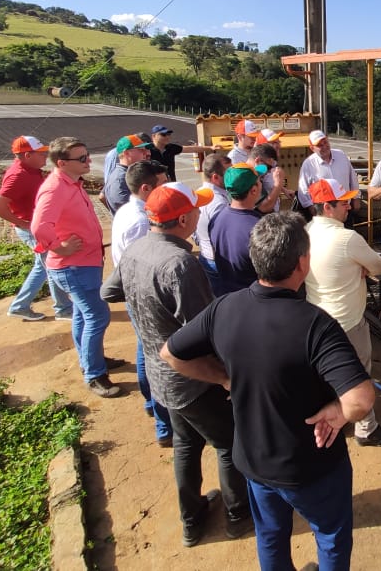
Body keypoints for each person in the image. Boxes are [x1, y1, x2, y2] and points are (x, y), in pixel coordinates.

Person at [161, 212, 374, 571]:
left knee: (271, 535)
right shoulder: (317, 325)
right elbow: (360, 399)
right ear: (302, 263)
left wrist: (222, 378)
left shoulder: (224, 308)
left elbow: (171, 353)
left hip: (254, 459)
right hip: (313, 465)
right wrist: (337, 413)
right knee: (331, 536)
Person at [102, 182, 252, 548]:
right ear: (183, 218)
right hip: (194, 377)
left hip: (160, 374)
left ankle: (192, 520)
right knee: (229, 442)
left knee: (186, 443)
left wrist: (149, 308)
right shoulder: (181, 264)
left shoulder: (137, 248)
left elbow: (109, 291)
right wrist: (226, 376)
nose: (201, 213)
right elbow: (202, 330)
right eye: (196, 209)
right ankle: (237, 515)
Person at [305, 179, 381, 448]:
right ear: (327, 207)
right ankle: (366, 429)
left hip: (317, 319)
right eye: (343, 202)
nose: (350, 206)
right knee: (359, 375)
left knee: (325, 374)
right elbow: (379, 265)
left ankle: (331, 418)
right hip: (347, 322)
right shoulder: (347, 238)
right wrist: (363, 269)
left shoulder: (306, 232)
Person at [32, 137, 121, 398]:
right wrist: (59, 247)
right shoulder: (55, 188)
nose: (88, 161)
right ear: (62, 163)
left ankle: (91, 360)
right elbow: (39, 227)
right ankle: (94, 374)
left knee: (83, 316)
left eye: (87, 155)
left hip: (83, 263)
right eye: (81, 158)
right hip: (74, 266)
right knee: (97, 316)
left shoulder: (69, 182)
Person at [110, 159, 171, 445]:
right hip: (143, 293)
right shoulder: (140, 221)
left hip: (137, 290)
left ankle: (153, 406)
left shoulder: (129, 210)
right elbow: (143, 261)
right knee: (153, 355)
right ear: (146, 188)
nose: (166, 187)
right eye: (162, 184)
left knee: (145, 349)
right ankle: (163, 422)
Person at [0, 135, 73, 322]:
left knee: (42, 267)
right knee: (52, 265)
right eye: (41, 153)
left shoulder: (30, 170)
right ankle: (64, 309)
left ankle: (20, 306)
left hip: (36, 227)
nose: (45, 156)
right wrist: (22, 223)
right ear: (27, 155)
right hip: (33, 230)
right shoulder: (18, 176)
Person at [209, 163, 264, 292]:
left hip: (227, 295)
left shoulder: (216, 219)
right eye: (259, 181)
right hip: (252, 297)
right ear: (254, 190)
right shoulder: (260, 227)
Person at [296, 130, 361, 226]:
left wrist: (356, 198)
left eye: (325, 142)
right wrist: (313, 209)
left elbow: (352, 177)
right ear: (312, 148)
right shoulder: (308, 164)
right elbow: (303, 190)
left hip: (345, 209)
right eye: (319, 145)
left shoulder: (341, 155)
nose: (324, 146)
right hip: (325, 214)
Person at [194, 153, 233, 295]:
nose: (232, 176)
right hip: (218, 264)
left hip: (206, 257)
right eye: (228, 173)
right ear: (216, 177)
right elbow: (223, 238)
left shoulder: (198, 194)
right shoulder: (219, 203)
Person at [103, 133, 153, 214]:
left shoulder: (129, 173)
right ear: (126, 153)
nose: (146, 153)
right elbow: (131, 212)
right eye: (141, 150)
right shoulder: (119, 179)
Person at [250, 143, 289, 214]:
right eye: (268, 167)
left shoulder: (253, 174)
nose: (268, 172)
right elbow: (264, 207)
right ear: (258, 161)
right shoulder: (250, 177)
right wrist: (278, 183)